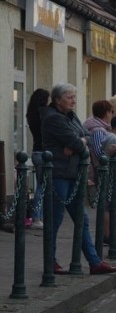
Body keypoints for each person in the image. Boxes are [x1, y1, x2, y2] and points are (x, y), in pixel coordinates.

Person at [39, 83, 116, 275]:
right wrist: (78, 143)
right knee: (55, 219)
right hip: (58, 174)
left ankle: (94, 261)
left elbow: (87, 137)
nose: (73, 101)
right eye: (69, 97)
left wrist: (77, 144)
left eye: (74, 97)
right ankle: (51, 262)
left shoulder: (71, 116)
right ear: (57, 100)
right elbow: (78, 141)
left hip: (73, 174)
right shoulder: (52, 118)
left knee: (82, 219)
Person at [26, 88, 51, 229]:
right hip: (44, 153)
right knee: (43, 187)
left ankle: (39, 217)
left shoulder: (31, 115)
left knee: (41, 185)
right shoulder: (44, 115)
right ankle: (37, 218)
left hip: (36, 152)